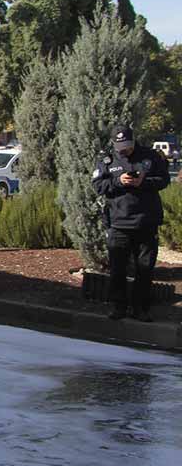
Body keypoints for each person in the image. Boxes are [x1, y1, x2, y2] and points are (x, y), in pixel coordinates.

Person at [92, 123, 170, 321]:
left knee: (145, 269)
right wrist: (119, 181)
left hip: (146, 221)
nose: (124, 149)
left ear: (133, 140)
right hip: (119, 223)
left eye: (127, 145)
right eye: (120, 146)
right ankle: (118, 307)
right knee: (117, 269)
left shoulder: (151, 157)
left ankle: (140, 308)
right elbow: (99, 185)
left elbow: (163, 180)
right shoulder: (107, 161)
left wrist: (143, 182)